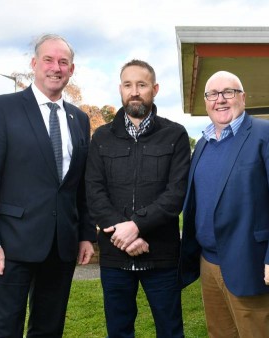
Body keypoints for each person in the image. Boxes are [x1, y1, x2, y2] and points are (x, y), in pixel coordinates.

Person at [0, 33, 96, 337]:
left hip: (61, 246)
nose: (56, 67)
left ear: (71, 69)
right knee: (5, 328)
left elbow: (80, 185)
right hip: (12, 244)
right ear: (34, 63)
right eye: (49, 59)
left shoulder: (79, 119)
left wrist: (85, 236)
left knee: (49, 328)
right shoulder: (2, 108)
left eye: (63, 62)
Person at [179, 71, 269, 337]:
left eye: (229, 92)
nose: (220, 100)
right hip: (210, 263)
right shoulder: (203, 143)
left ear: (243, 98)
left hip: (255, 263)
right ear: (206, 102)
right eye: (213, 94)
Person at [85, 59, 190, 338]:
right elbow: (94, 192)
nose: (135, 91)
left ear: (154, 89)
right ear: (120, 89)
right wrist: (125, 233)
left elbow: (176, 194)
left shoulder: (175, 135)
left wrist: (137, 226)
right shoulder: (102, 138)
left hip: (162, 256)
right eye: (128, 85)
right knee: (118, 331)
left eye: (141, 85)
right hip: (114, 255)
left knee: (170, 331)